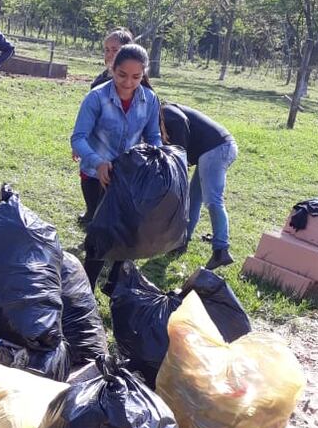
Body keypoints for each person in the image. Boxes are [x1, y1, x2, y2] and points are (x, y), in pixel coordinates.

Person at [71, 43, 162, 288]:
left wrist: (158, 158)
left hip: (130, 176)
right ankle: (85, 290)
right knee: (101, 233)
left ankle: (115, 285)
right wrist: (98, 163)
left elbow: (153, 136)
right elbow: (78, 138)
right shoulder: (97, 97)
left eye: (136, 77)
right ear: (112, 69)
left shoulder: (149, 99)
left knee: (128, 231)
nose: (129, 82)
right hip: (95, 175)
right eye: (122, 75)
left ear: (144, 73)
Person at [161, 102, 237, 269]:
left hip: (217, 148)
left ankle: (221, 250)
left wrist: (179, 165)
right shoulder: (163, 115)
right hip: (211, 150)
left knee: (213, 200)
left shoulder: (166, 112)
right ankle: (181, 241)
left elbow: (180, 136)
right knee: (193, 199)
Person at [77, 27, 137, 224]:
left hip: (120, 153)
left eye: (115, 50)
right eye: (107, 49)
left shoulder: (136, 85)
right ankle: (91, 213)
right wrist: (81, 141)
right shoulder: (101, 79)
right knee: (89, 182)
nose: (110, 54)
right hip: (95, 148)